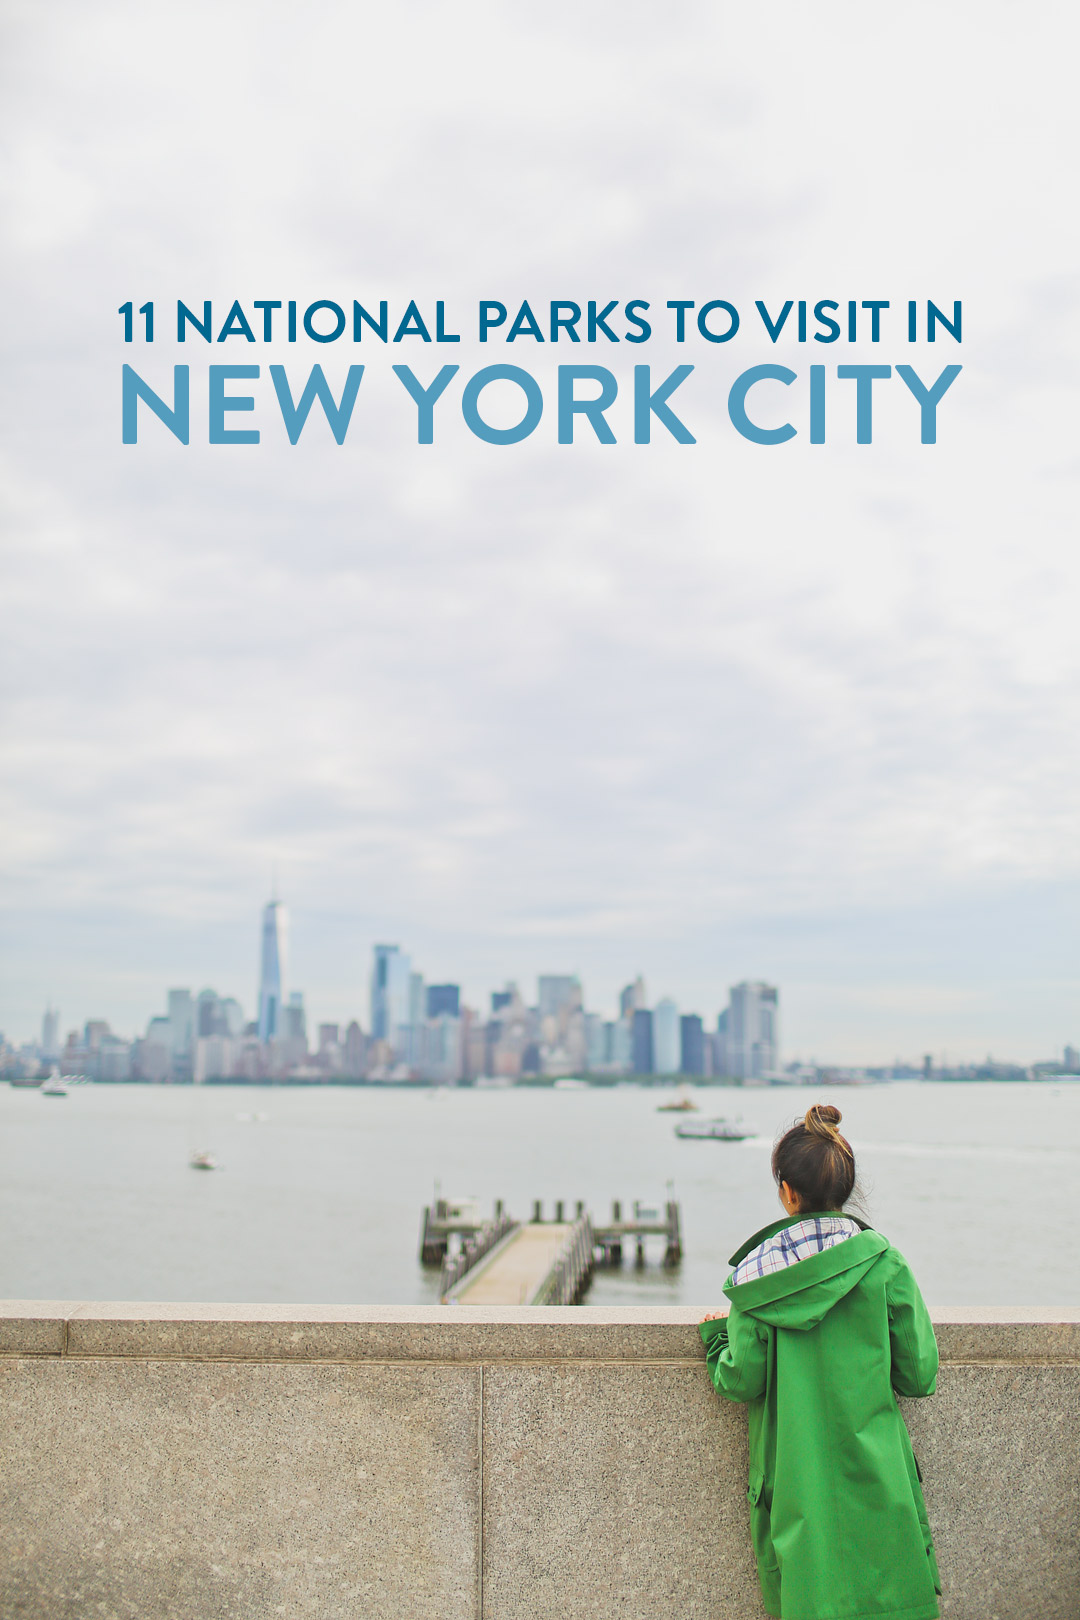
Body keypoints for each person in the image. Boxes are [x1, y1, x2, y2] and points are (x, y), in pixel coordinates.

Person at [700, 1103, 940, 1620]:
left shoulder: (757, 1286)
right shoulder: (884, 1263)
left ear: (787, 1192)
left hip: (796, 1488)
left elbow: (739, 1381)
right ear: (846, 1188)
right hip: (880, 1479)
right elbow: (919, 1375)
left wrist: (716, 1340)